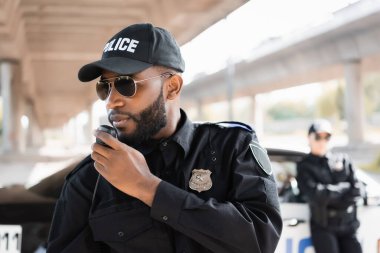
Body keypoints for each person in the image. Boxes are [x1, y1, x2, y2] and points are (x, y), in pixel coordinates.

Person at [46, 23, 282, 253]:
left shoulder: (231, 148)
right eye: (105, 87)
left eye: (126, 84)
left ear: (172, 87)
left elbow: (261, 240)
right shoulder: (91, 178)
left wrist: (148, 188)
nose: (111, 101)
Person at [296, 119, 363, 253]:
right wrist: (344, 189)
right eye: (318, 136)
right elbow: (316, 195)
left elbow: (357, 189)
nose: (322, 141)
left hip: (348, 226)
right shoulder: (304, 166)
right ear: (309, 138)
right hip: (323, 227)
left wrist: (332, 195)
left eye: (327, 137)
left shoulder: (343, 160)